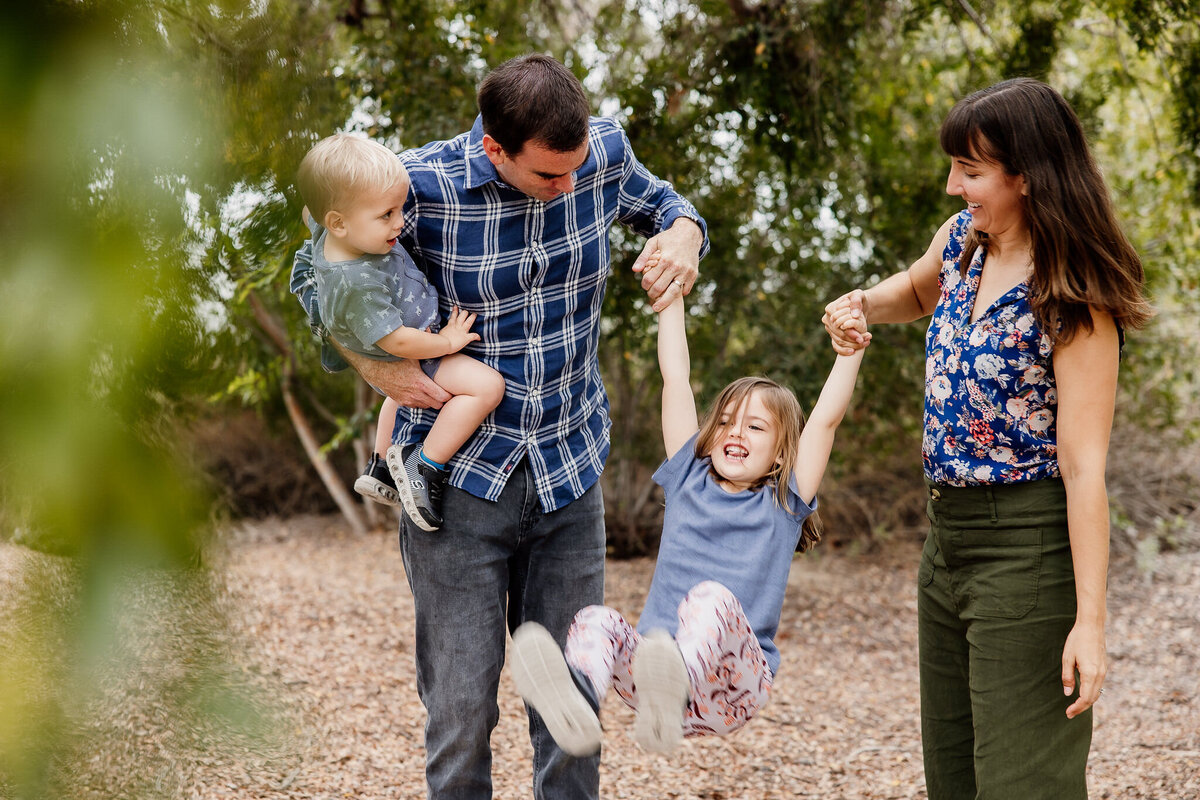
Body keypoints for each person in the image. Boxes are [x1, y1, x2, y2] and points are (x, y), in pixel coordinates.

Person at [290, 54, 708, 800]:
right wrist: (374, 366)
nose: (570, 186)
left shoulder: (601, 153)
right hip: (456, 491)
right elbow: (314, 273)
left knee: (572, 704)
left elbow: (668, 206)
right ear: (494, 148)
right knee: (460, 712)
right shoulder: (416, 187)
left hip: (569, 474)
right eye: (550, 175)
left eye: (577, 168)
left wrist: (684, 235)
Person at [822, 78, 1152, 799]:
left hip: (1026, 554)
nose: (952, 186)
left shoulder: (1073, 296)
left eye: (970, 171)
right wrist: (859, 306)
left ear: (1027, 175)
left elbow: (1084, 466)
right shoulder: (961, 245)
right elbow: (913, 292)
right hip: (946, 547)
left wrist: (1090, 624)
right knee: (956, 777)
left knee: (1023, 783)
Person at [508, 286, 865, 757]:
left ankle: (673, 680)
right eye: (725, 421)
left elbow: (824, 421)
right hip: (652, 684)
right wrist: (671, 297)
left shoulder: (784, 501)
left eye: (755, 427)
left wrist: (851, 349)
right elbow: (676, 378)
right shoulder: (687, 478)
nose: (735, 431)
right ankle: (577, 703)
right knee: (596, 620)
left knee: (710, 597)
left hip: (735, 686)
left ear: (781, 456)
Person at [295, 133, 505, 530]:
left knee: (396, 399)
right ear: (338, 222)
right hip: (408, 351)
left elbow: (310, 209)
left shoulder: (328, 233)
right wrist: (448, 342)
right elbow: (398, 341)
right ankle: (424, 465)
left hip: (392, 351)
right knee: (487, 388)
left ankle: (380, 464)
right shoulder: (358, 282)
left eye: (399, 208)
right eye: (386, 215)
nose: (400, 222)